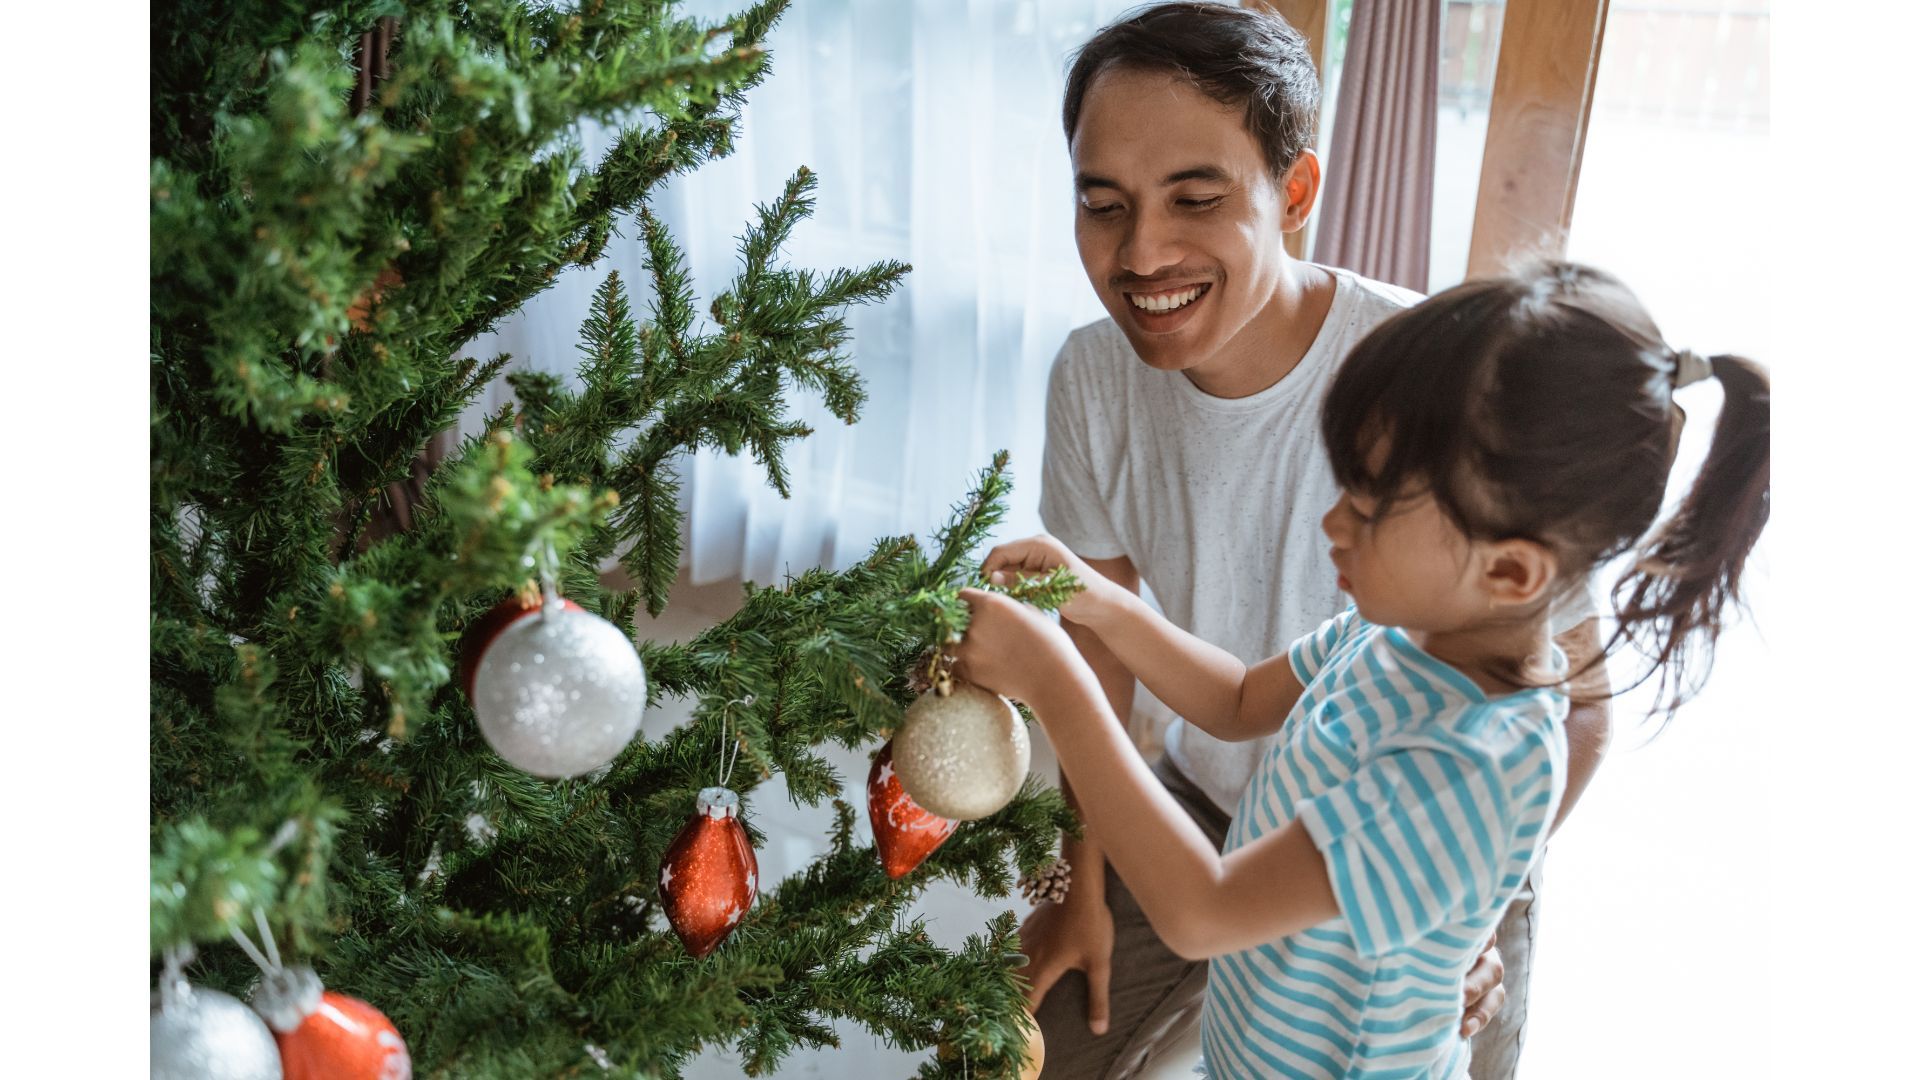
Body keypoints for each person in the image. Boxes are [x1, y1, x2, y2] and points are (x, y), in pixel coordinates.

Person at [958, 261, 1771, 1079]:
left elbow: (1203, 911)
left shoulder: (1470, 765)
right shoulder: (1401, 639)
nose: (1332, 522)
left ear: (1511, 574)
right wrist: (1102, 602)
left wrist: (1053, 680)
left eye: (1371, 507)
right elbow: (1238, 699)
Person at [1025, 5, 1613, 1076]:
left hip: (1426, 857)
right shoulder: (1093, 382)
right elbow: (1189, 680)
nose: (1142, 252)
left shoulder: (1433, 390)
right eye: (1103, 205)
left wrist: (1466, 906)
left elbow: (1574, 702)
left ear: (1294, 192)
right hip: (1214, 800)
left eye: (1196, 200)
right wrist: (1082, 880)